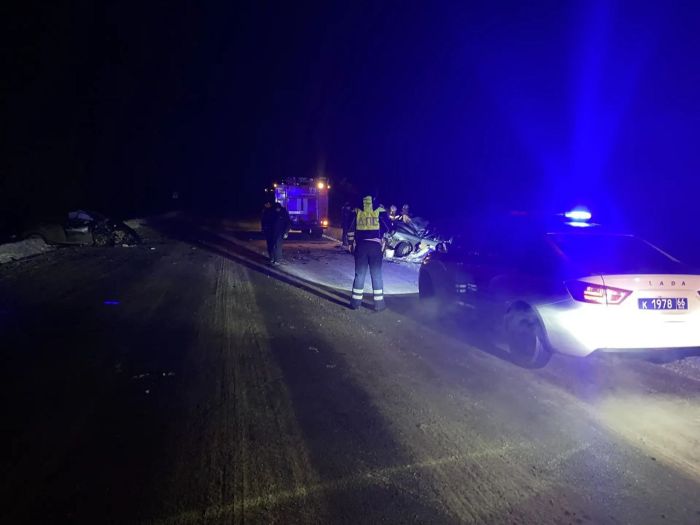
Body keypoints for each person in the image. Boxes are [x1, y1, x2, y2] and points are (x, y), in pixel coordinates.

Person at [347, 195, 392, 311]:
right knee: (376, 275)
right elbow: (388, 228)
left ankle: (355, 303)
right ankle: (379, 304)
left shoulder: (356, 210)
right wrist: (385, 240)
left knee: (359, 275)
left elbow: (350, 229)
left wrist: (350, 243)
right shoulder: (380, 210)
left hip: (361, 246)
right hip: (375, 247)